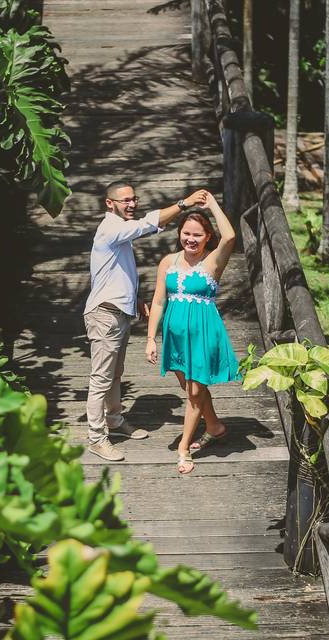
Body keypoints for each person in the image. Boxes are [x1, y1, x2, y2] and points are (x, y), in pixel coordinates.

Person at [84, 180, 208, 462]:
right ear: (109, 203)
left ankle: (114, 421)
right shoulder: (111, 229)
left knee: (115, 374)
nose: (131, 204)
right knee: (100, 378)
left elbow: (115, 273)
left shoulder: (119, 234)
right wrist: (184, 204)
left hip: (119, 311)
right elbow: (146, 224)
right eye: (125, 200)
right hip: (104, 314)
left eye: (133, 199)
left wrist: (135, 299)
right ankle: (96, 438)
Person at [144, 191, 238, 474]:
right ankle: (215, 426)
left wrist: (213, 205)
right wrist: (150, 338)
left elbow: (230, 237)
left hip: (203, 334)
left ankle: (184, 447)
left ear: (208, 237)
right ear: (179, 234)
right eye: (186, 233)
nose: (191, 239)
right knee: (190, 389)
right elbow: (159, 301)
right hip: (175, 336)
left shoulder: (212, 263)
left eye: (198, 235)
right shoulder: (168, 262)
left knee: (195, 391)